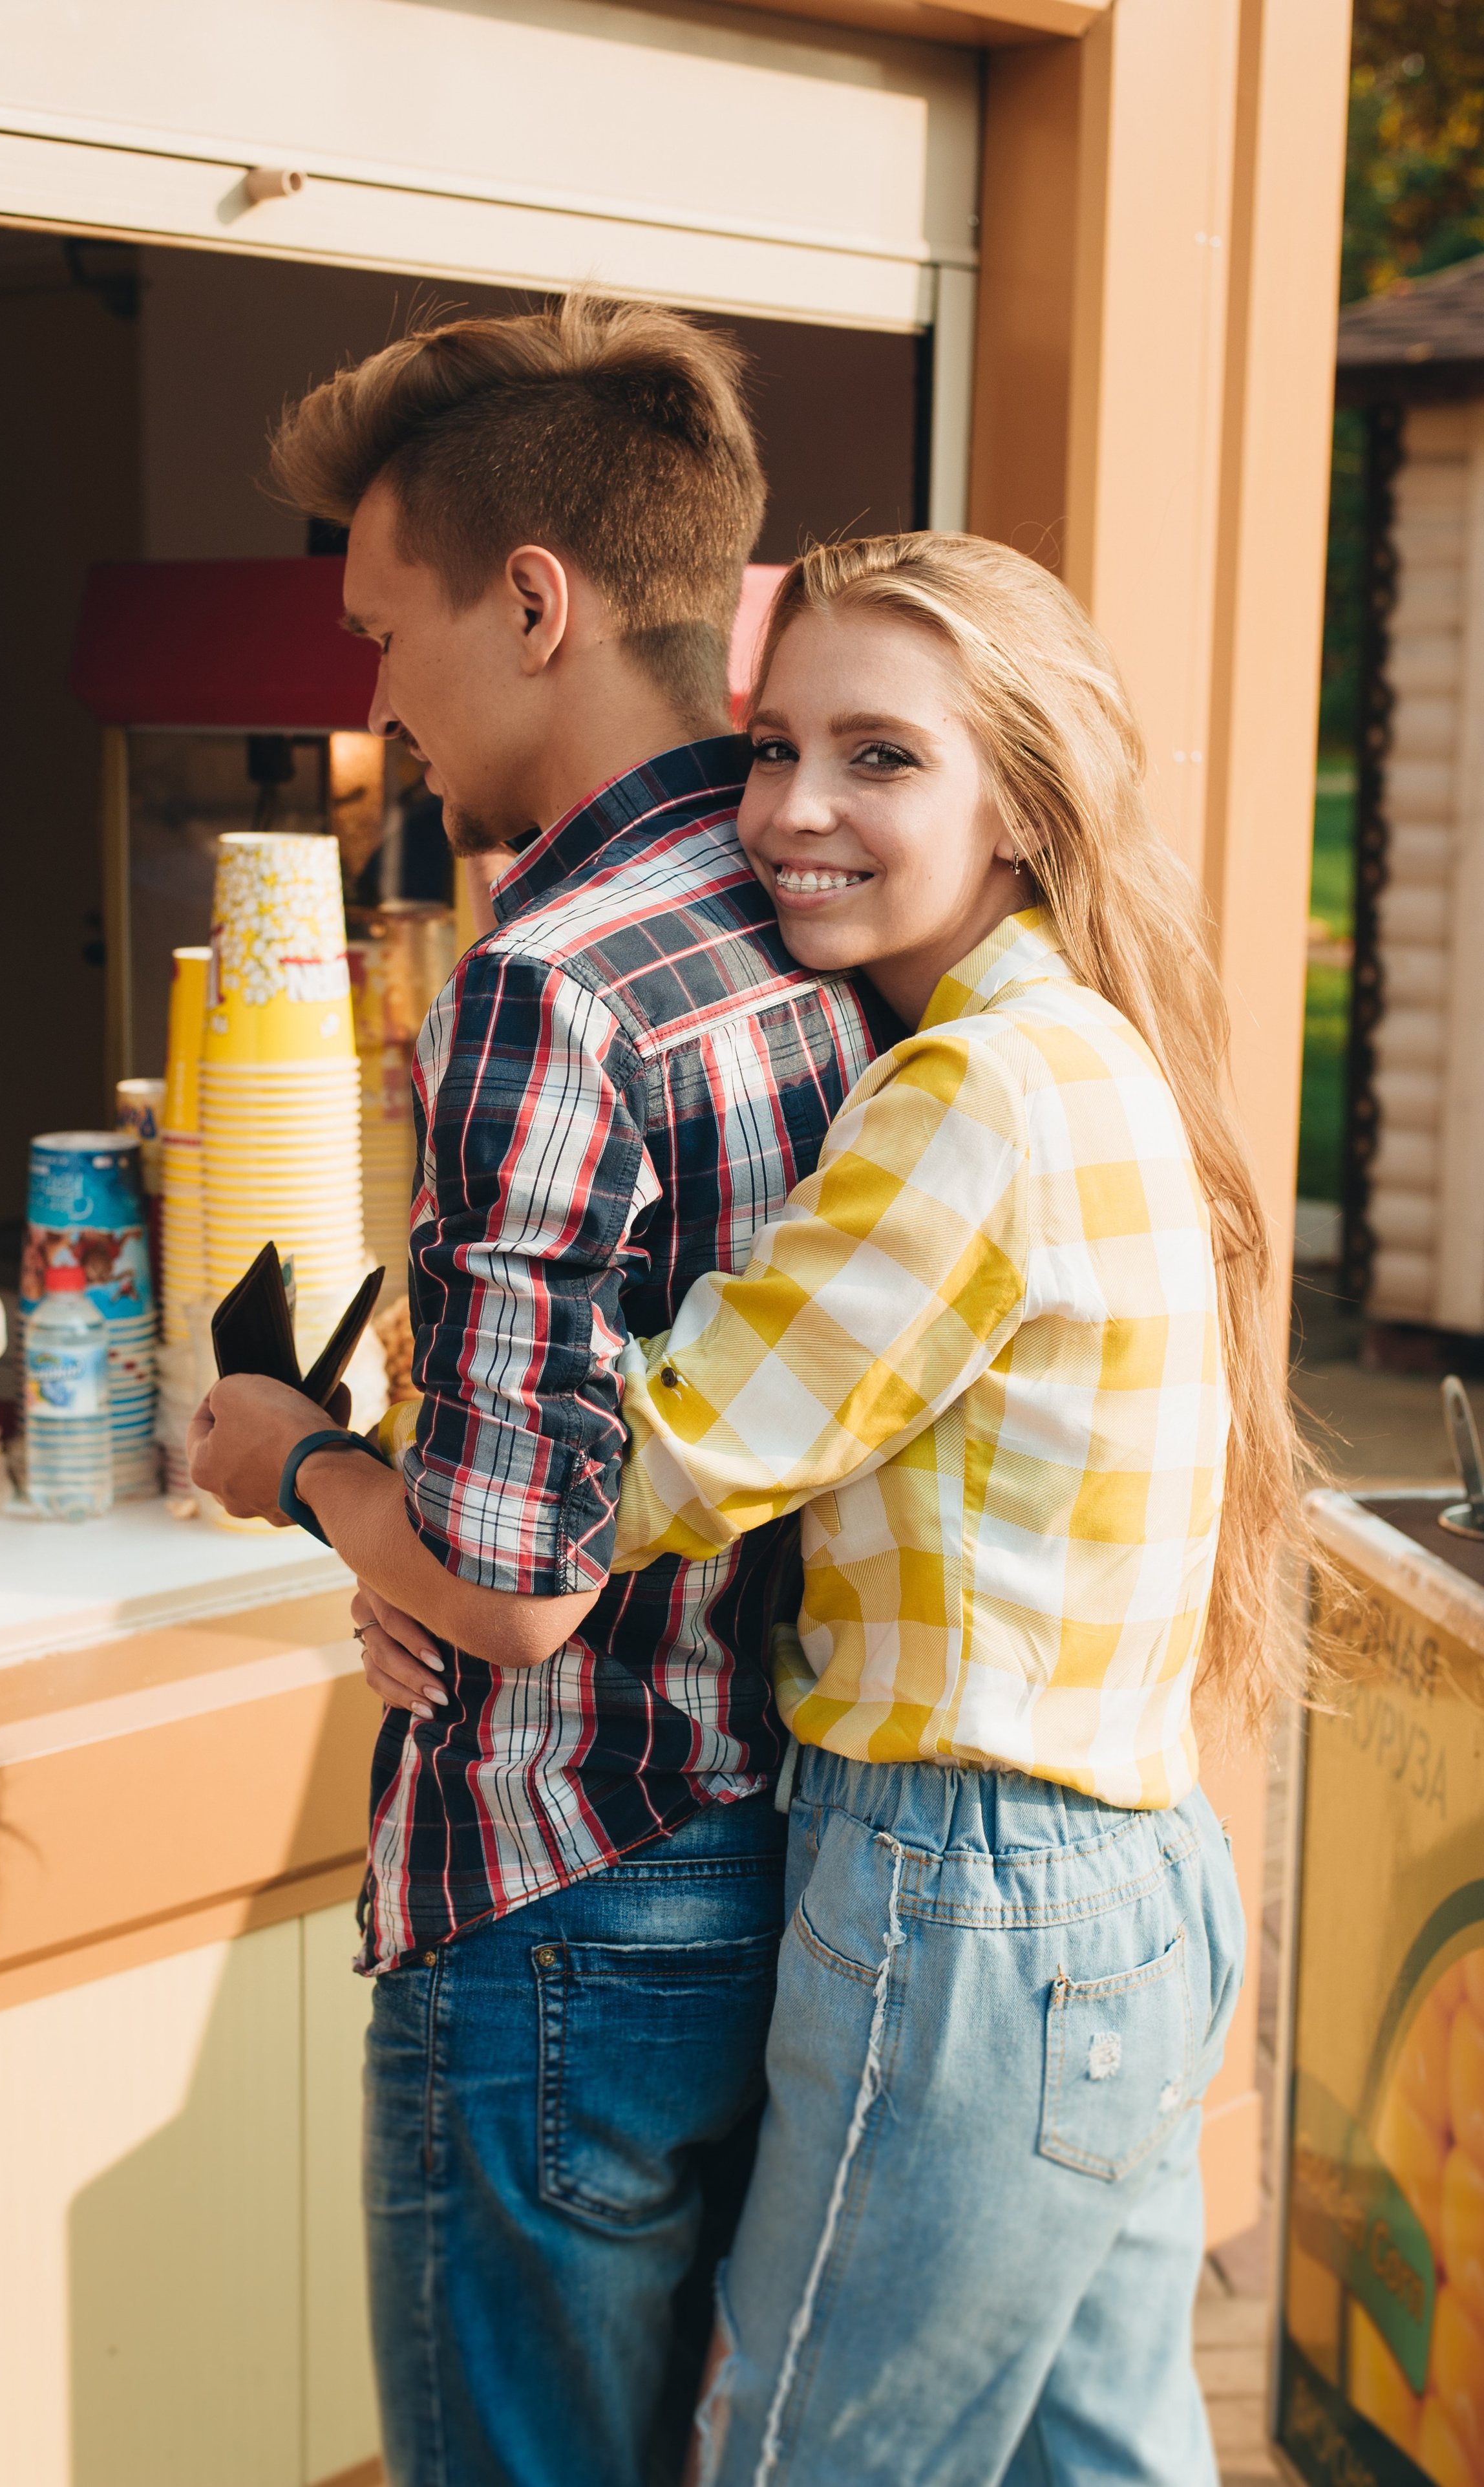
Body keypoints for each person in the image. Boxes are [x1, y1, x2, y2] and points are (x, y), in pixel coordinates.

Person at [354, 531, 1314, 2485]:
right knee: (1098, 2461)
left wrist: (311, 1464)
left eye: (882, 759)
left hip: (967, 1908)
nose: (789, 811)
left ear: (1024, 803)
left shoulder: (970, 1099)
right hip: (1126, 1885)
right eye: (773, 742)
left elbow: (588, 1501)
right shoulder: (1085, 1052)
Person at [187, 299, 898, 2487]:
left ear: (534, 600)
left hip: (552, 1911)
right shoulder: (847, 922)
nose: (371, 696)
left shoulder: (544, 982)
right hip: (775, 1873)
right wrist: (430, 1500)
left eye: (386, 630)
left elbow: (512, 1594)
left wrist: (292, 1460)